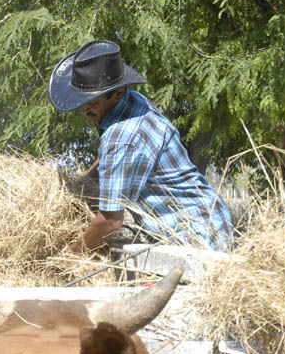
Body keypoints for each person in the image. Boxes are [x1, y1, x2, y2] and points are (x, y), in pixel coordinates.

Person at [48, 40, 233, 253]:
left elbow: (110, 222)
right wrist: (80, 185)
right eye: (81, 100)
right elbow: (114, 160)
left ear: (118, 92)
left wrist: (69, 256)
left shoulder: (122, 138)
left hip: (196, 237)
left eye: (91, 100)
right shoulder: (131, 101)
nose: (83, 108)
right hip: (209, 217)